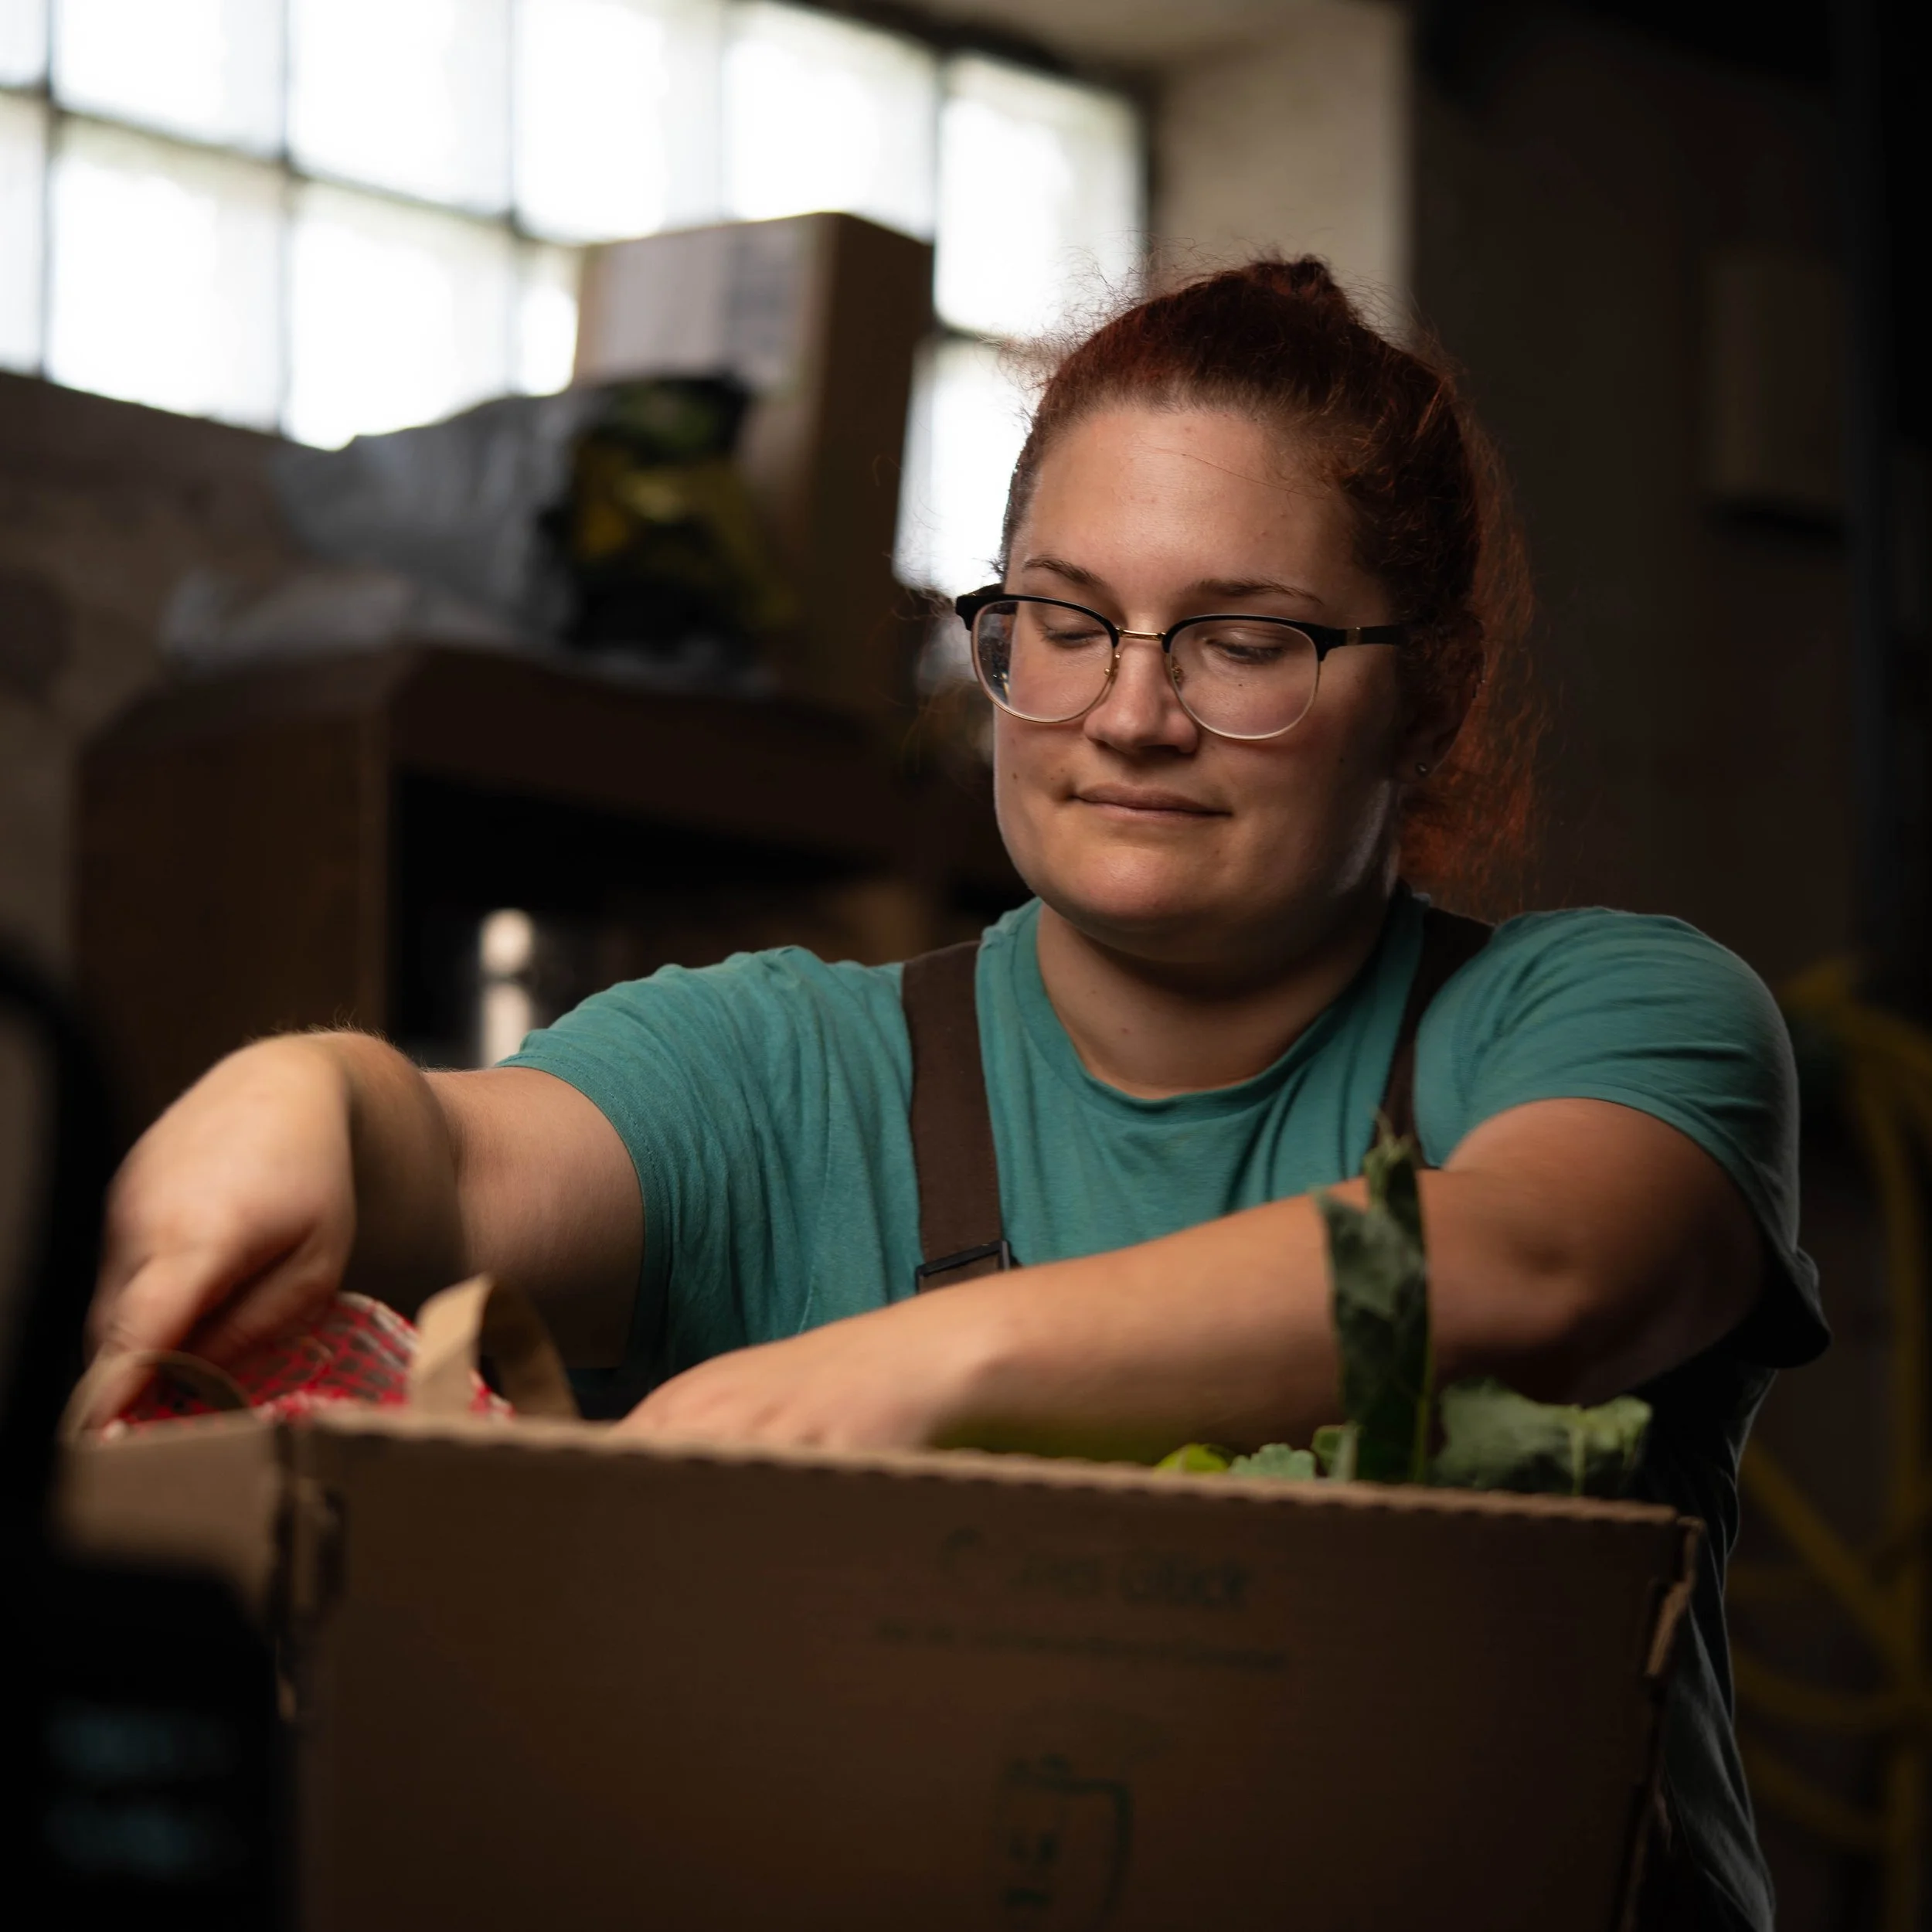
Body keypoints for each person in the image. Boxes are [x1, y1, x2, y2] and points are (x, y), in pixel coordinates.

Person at [90, 260, 1824, 1929]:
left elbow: (1541, 1264)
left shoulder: (1604, 1015)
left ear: (1425, 696)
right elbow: (453, 1158)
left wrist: (925, 1367)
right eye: (1063, 623)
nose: (1128, 715)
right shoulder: (785, 1064)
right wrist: (303, 1098)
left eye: (1239, 641)